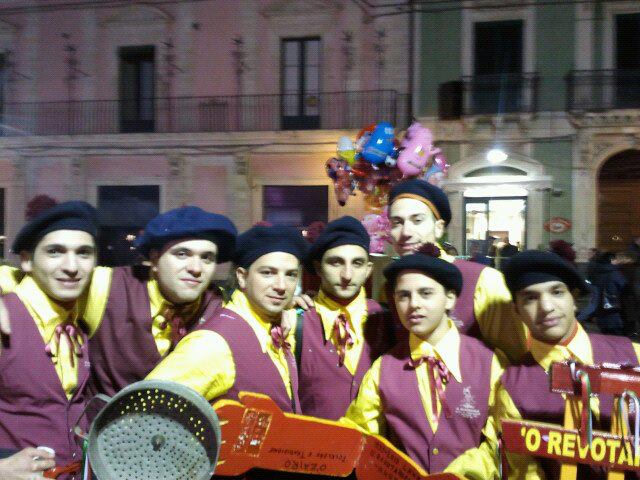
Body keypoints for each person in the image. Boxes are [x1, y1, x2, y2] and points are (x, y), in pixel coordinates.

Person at [0, 206, 237, 398]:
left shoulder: (217, 305)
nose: (196, 268)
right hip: (97, 435)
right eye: (182, 254)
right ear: (154, 260)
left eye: (207, 258)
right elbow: (31, 278)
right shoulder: (109, 286)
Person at [342, 244, 504, 476]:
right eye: (403, 296)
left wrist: (461, 473)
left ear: (450, 298)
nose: (414, 304)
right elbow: (359, 433)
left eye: (426, 293)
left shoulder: (489, 362)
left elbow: (499, 439)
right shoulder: (384, 368)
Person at [496, 250, 640, 479]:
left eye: (557, 292)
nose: (546, 307)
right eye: (530, 298)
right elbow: (525, 471)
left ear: (574, 298)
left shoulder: (632, 354)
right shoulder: (512, 388)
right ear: (517, 311)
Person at [147, 225, 308, 413]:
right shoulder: (213, 343)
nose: (281, 286)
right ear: (242, 277)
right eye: (268, 273)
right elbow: (141, 413)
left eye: (291, 275)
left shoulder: (278, 326)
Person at [0, 201, 99, 473]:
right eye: (55, 252)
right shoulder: (5, 317)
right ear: (26, 261)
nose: (72, 266)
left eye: (83, 253)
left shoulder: (77, 322)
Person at [386, 178, 527, 362]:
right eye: (397, 223)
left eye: (417, 220)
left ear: (439, 228)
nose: (406, 232)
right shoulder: (390, 286)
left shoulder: (483, 281)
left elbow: (515, 360)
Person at [297, 216, 394, 420]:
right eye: (336, 262)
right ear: (318, 268)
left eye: (357, 263)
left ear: (368, 270)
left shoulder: (388, 321)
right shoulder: (297, 322)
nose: (347, 275)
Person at [586, 251, 626, 335]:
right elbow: (623, 285)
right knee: (615, 334)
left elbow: (589, 283)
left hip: (599, 307)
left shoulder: (595, 270)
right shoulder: (614, 272)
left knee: (605, 333)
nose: (617, 261)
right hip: (612, 307)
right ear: (611, 260)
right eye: (615, 259)